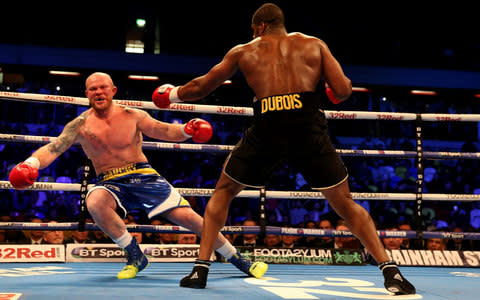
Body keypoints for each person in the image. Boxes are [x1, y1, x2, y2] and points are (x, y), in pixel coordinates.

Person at [152, 3, 415, 294]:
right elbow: (342, 91)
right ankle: (391, 273)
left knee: (224, 191)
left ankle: (201, 269)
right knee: (345, 204)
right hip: (307, 123)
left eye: (254, 30)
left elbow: (203, 86)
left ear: (260, 26)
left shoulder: (244, 50)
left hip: (269, 124)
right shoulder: (314, 45)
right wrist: (329, 88)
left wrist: (172, 94)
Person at [8, 72, 267, 281]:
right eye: (93, 89)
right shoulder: (79, 125)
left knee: (192, 220)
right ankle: (135, 256)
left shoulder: (133, 115)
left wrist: (188, 130)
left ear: (113, 91)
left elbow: (164, 131)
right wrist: (30, 163)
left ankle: (239, 260)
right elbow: (53, 148)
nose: (98, 92)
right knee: (94, 201)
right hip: (109, 181)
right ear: (86, 94)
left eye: (103, 87)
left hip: (143, 176)